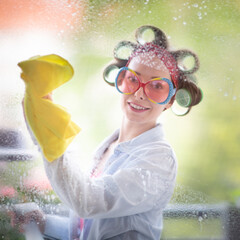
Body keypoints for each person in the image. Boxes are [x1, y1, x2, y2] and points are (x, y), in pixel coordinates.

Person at [15, 25, 202, 240]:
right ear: (121, 80)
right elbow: (91, 230)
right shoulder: (109, 147)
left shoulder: (158, 160)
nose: (141, 94)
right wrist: (43, 223)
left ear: (170, 99)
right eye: (133, 79)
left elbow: (89, 203)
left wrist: (48, 139)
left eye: (157, 86)